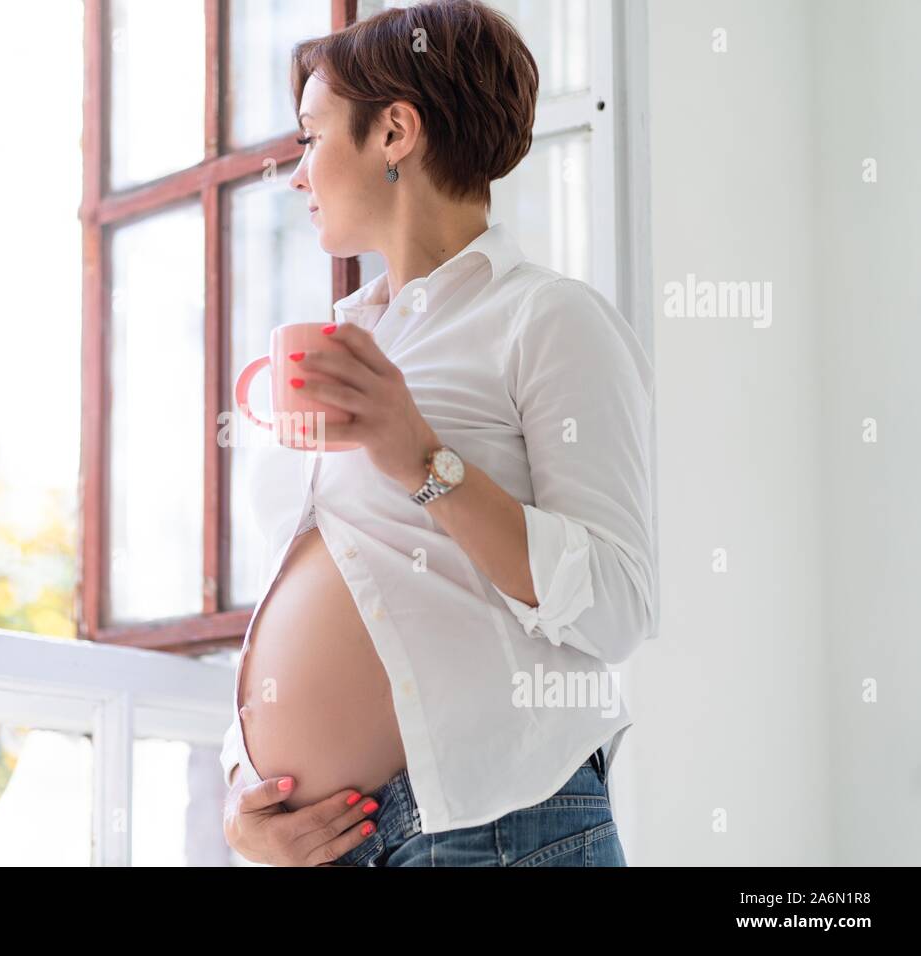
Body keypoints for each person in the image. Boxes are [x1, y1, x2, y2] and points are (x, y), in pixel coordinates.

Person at [221, 0, 656, 866]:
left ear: (394, 132)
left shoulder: (547, 317)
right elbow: (304, 582)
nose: (297, 174)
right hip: (334, 846)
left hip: (495, 828)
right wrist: (244, 804)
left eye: (310, 138)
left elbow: (617, 604)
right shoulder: (353, 342)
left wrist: (423, 459)